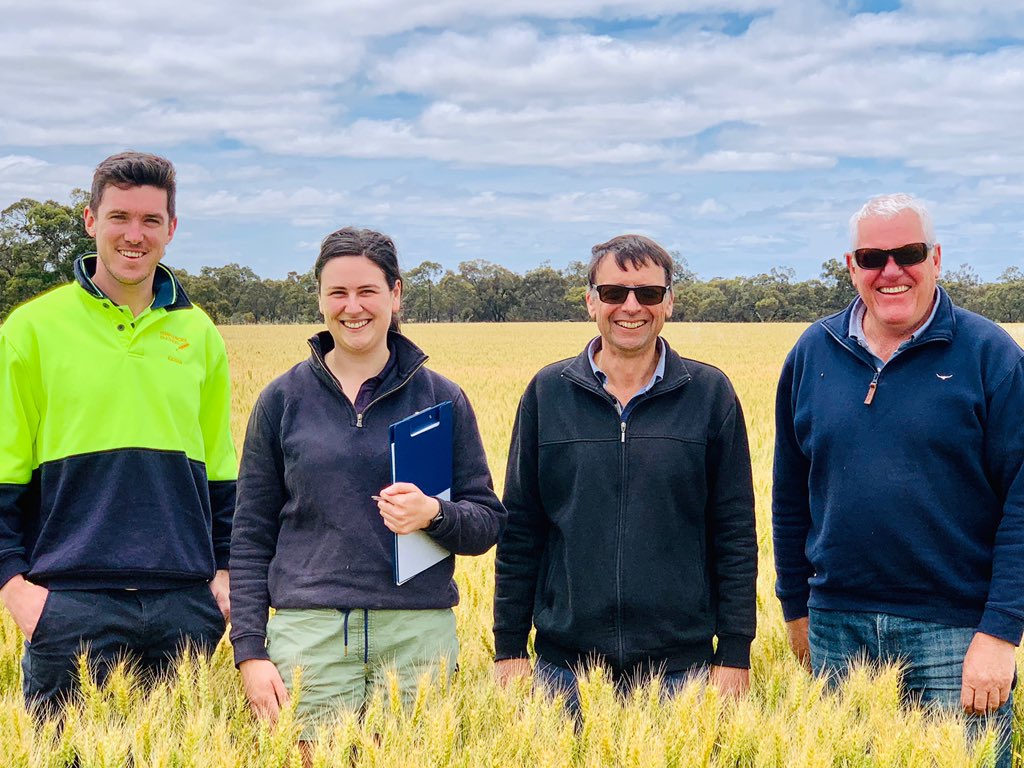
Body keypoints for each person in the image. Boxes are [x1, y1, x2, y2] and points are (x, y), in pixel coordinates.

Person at [772, 193, 1024, 767]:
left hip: (957, 635)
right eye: (872, 258)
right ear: (850, 266)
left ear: (935, 258)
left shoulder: (991, 356)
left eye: (908, 254)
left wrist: (1001, 632)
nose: (891, 271)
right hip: (837, 627)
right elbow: (789, 493)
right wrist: (796, 607)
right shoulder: (813, 352)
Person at [229, 227, 506, 742]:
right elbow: (249, 534)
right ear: (319, 299)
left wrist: (434, 514)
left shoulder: (441, 398)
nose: (352, 307)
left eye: (367, 291)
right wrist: (250, 650)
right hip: (310, 634)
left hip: (415, 635)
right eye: (337, 292)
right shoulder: (281, 400)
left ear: (395, 294)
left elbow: (487, 522)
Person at [0, 151, 235, 712]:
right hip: (69, 603)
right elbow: (4, 469)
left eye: (151, 220)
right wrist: (16, 590)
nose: (135, 235)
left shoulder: (199, 333)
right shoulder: (31, 329)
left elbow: (221, 468)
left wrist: (224, 578)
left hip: (184, 604)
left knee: (179, 749)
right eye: (119, 217)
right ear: (91, 221)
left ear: (171, 229)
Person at [493, 234, 757, 710]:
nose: (631, 307)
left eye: (648, 293)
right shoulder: (547, 393)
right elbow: (521, 529)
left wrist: (735, 652)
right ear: (591, 301)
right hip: (564, 670)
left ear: (669, 302)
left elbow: (734, 531)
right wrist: (509, 647)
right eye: (614, 292)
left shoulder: (710, 394)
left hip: (682, 671)